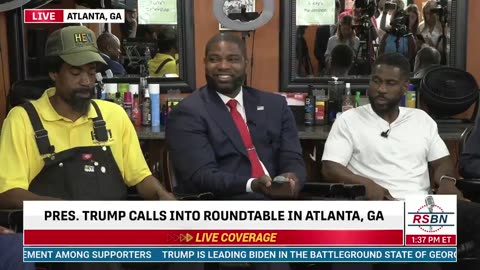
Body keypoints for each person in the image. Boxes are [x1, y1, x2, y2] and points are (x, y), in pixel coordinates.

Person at [321, 53, 480, 264]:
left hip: (423, 210)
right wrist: (365, 183)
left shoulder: (420, 120)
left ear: (405, 87)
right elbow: (331, 167)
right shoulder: (350, 120)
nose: (381, 89)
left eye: (390, 83)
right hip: (377, 209)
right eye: (376, 81)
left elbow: (442, 162)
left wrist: (447, 182)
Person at [0, 26, 175, 210]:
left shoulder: (114, 115)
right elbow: (7, 193)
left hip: (111, 231)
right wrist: (63, 211)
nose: (86, 81)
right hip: (53, 233)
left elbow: (140, 177)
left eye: (91, 72)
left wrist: (161, 194)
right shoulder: (22, 120)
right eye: (75, 73)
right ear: (54, 72)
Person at [166, 32, 306, 201]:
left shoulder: (275, 105)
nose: (223, 66)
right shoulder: (187, 113)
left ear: (245, 63)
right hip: (227, 206)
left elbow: (292, 157)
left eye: (233, 59)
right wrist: (252, 185)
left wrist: (292, 179)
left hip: (281, 204)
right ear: (204, 63)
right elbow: (201, 175)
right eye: (214, 59)